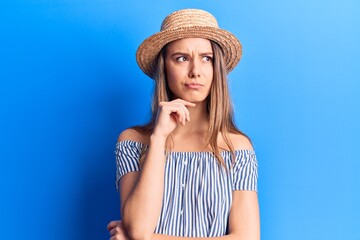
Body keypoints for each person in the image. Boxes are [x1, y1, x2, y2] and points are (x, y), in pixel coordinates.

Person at [107, 8, 260, 240]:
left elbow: (247, 238)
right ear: (164, 67)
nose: (195, 71)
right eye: (182, 58)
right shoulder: (132, 142)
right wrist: (158, 139)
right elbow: (139, 228)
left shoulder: (237, 148)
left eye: (206, 59)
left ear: (216, 68)